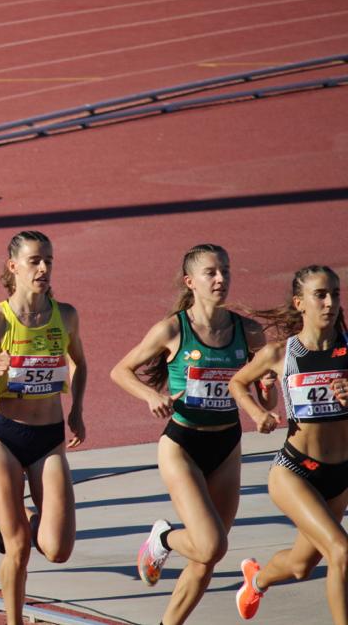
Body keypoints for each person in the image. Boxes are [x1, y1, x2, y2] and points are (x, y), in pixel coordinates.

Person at [110, 243, 273, 625]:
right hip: (182, 444)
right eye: (211, 273)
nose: (221, 279)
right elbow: (120, 370)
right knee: (211, 543)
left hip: (227, 444)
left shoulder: (247, 331)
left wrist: (266, 387)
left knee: (207, 558)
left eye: (226, 271)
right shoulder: (173, 329)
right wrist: (152, 395)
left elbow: (265, 389)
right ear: (191, 282)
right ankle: (163, 539)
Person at [0, 230, 86, 625]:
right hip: (2, 436)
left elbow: (80, 363)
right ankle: (14, 621)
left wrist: (77, 408)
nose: (44, 268)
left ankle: (24, 517)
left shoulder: (67, 315)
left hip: (49, 438)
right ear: (14, 267)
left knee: (58, 549)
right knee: (19, 548)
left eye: (49, 260)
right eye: (34, 261)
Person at [229, 265, 348, 624]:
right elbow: (238, 382)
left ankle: (258, 578)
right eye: (320, 295)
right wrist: (256, 412)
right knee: (341, 551)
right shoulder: (281, 354)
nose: (330, 302)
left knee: (300, 566)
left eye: (336, 294)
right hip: (294, 470)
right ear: (300, 303)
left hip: (338, 474)